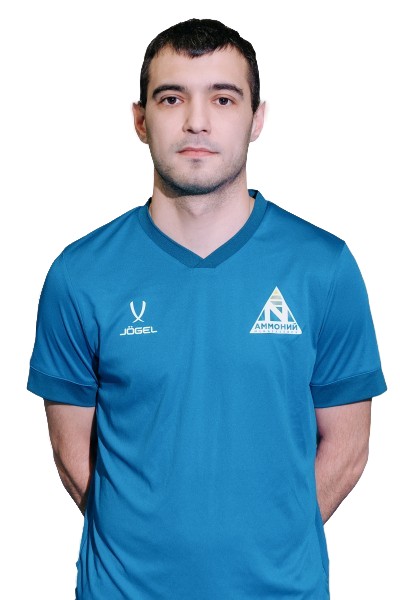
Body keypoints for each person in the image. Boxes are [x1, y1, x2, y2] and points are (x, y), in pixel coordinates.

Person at [27, 18, 387, 600]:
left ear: (257, 118)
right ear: (140, 120)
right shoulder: (80, 274)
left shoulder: (323, 268)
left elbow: (347, 449)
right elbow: (73, 457)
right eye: (172, 98)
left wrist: (268, 544)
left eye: (223, 98)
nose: (197, 121)